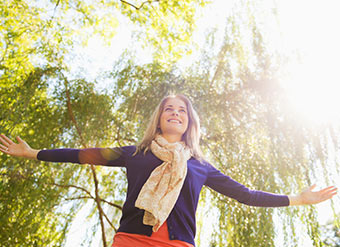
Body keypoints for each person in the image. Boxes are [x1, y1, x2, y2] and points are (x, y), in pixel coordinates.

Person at [0, 94, 337, 247]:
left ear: (189, 122)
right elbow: (85, 154)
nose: (175, 113)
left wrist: (298, 199)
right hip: (130, 240)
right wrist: (34, 154)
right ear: (159, 119)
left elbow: (246, 195)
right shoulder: (137, 153)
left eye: (182, 111)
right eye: (168, 109)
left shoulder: (200, 166)